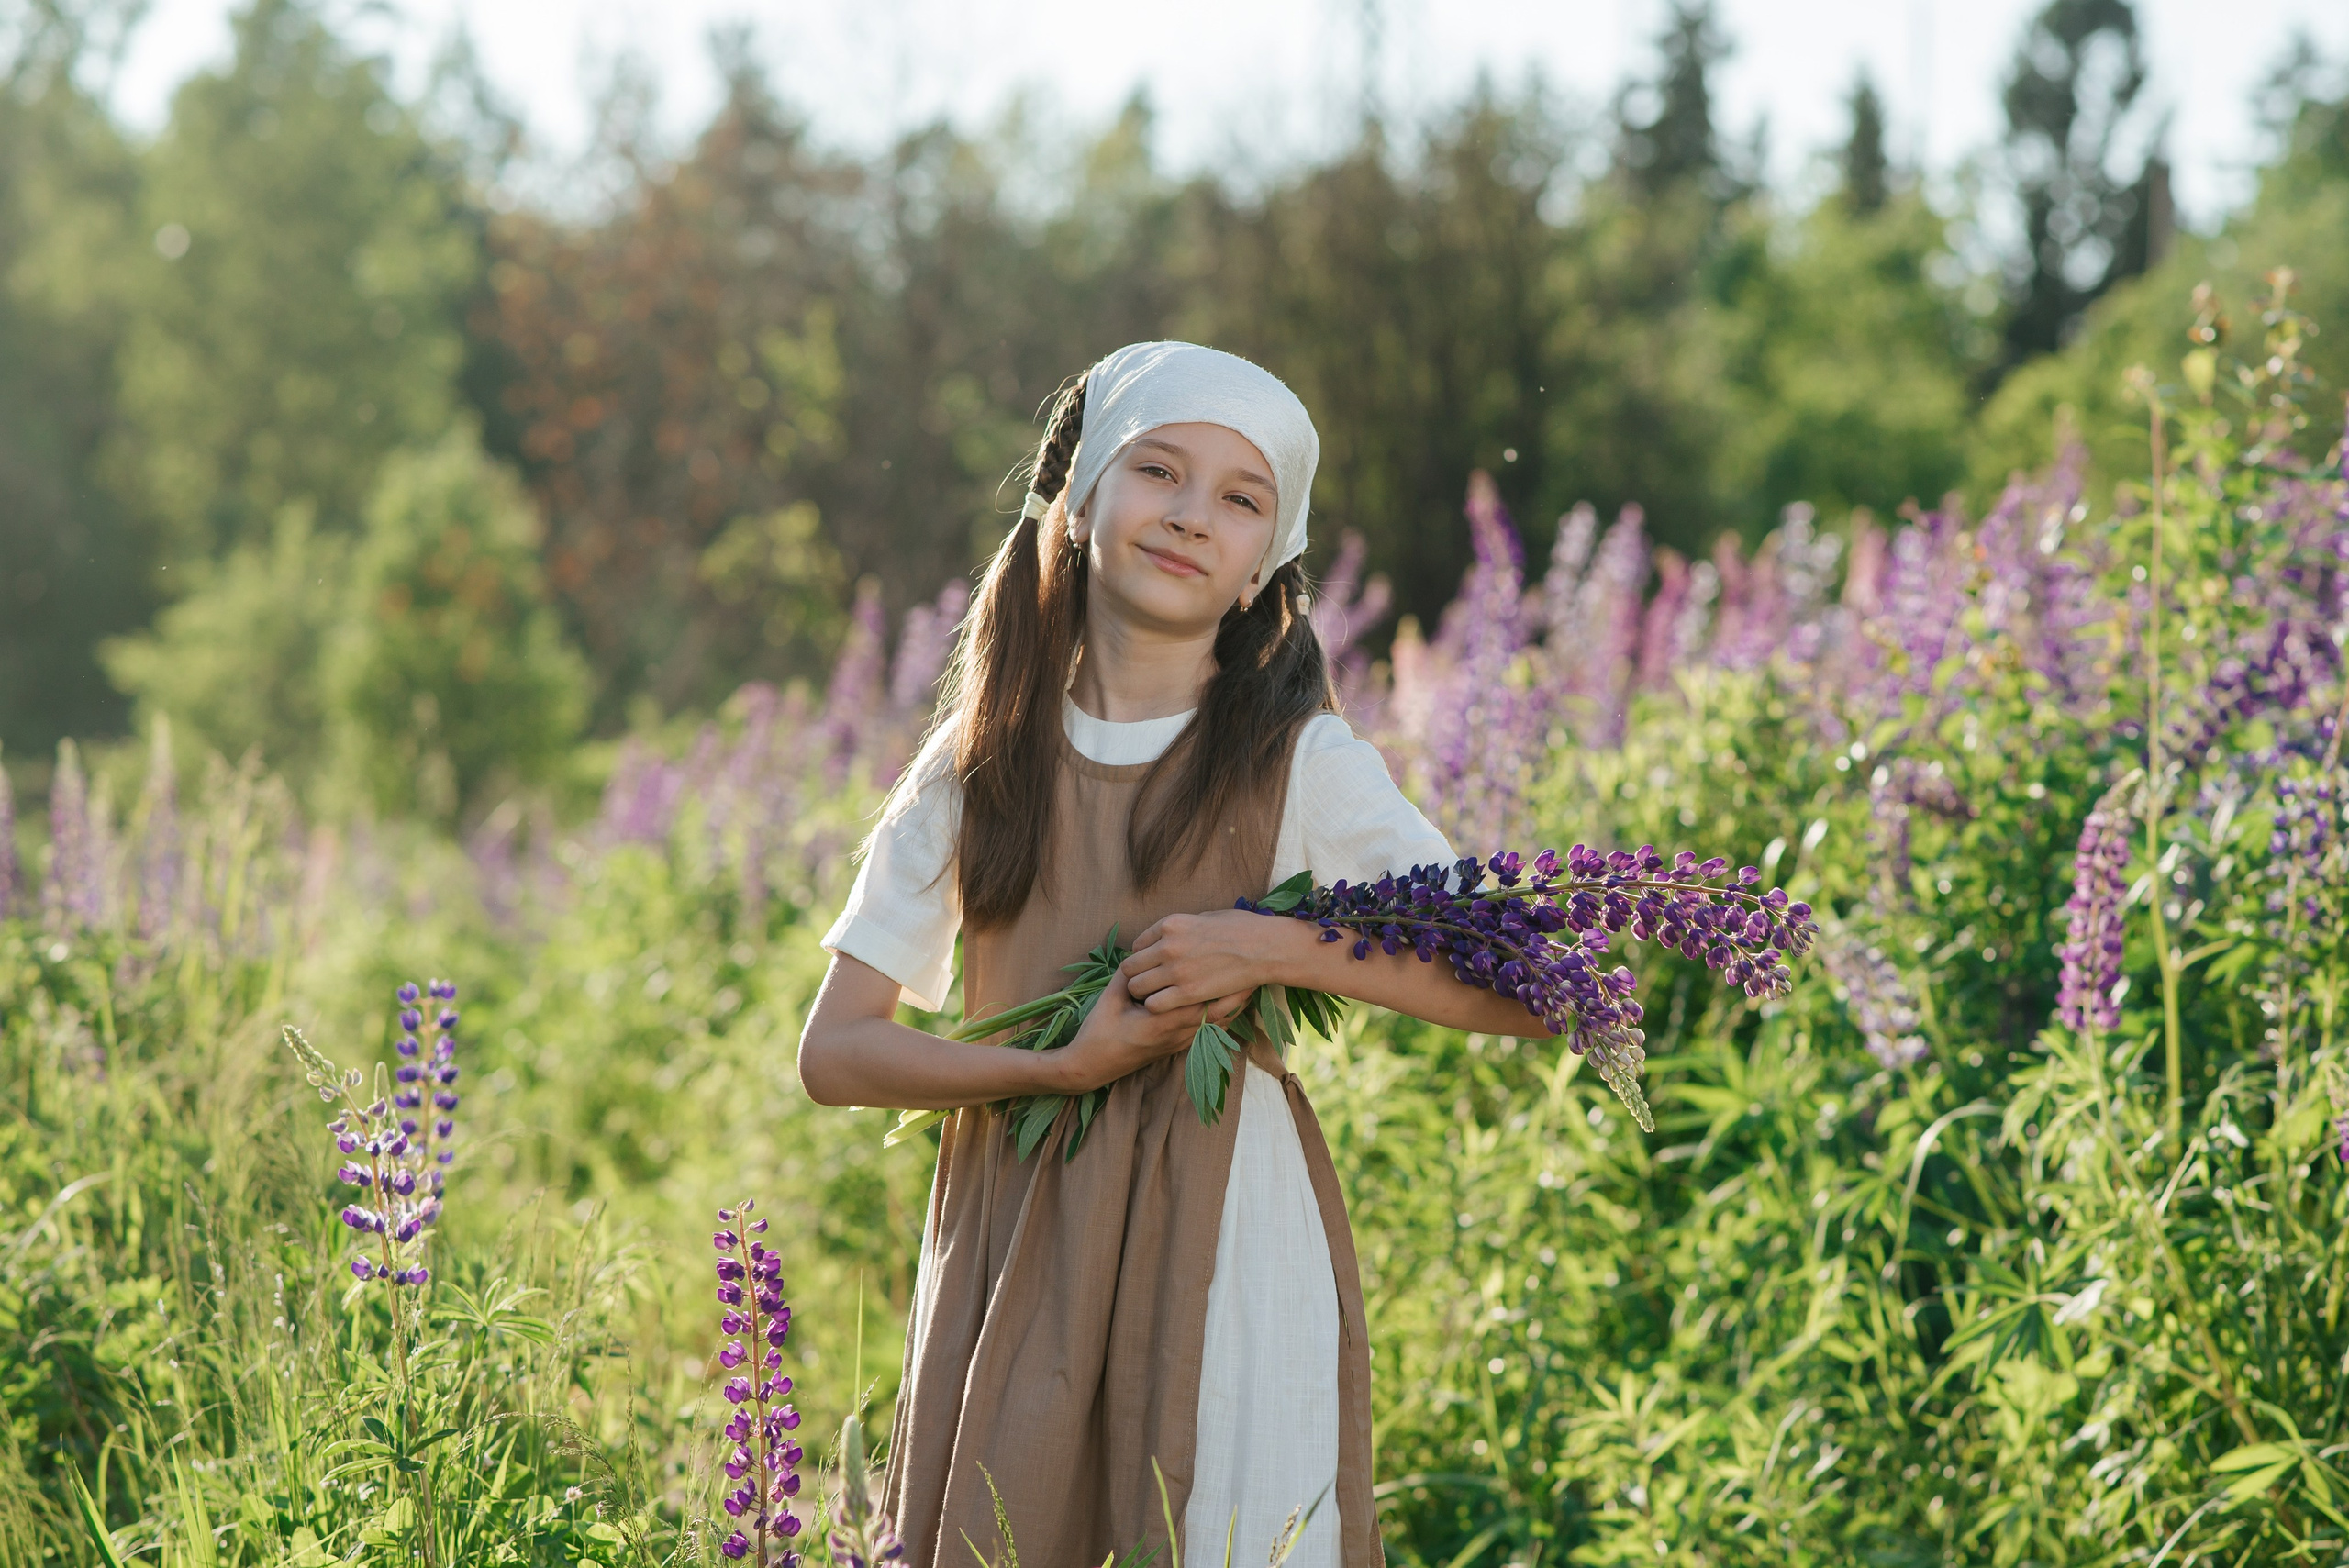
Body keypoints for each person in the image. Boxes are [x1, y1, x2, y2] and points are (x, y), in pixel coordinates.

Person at [798, 341, 1555, 1568]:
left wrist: (1274, 944)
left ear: (1265, 566)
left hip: (1228, 1240)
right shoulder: (976, 762)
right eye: (1159, 471)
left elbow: (1529, 985)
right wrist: (1057, 1069)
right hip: (1015, 1250)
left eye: (1240, 498)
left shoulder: (1301, 764)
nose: (1194, 514)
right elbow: (835, 1051)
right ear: (1081, 497)